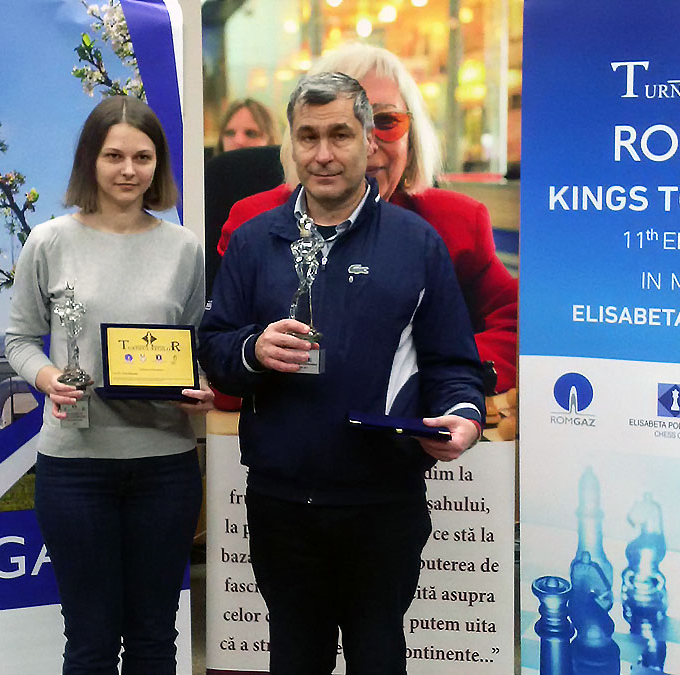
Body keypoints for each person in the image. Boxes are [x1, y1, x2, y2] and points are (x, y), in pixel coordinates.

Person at [199, 72, 485, 674]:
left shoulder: (417, 245)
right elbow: (216, 347)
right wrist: (252, 351)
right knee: (294, 657)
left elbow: (452, 363)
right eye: (308, 137)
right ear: (292, 146)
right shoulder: (254, 242)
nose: (323, 154)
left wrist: (462, 417)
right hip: (280, 501)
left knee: (378, 655)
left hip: (383, 502)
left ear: (367, 143)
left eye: (340, 135)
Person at [5, 95, 212, 674]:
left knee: (153, 638)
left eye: (143, 157)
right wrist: (48, 378)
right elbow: (18, 339)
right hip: (76, 467)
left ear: (158, 164)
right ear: (89, 161)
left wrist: (201, 381)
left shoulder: (184, 248)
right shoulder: (48, 241)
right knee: (91, 643)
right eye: (113, 155)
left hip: (165, 466)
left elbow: (198, 341)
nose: (128, 170)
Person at [217, 43, 518, 392]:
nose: (366, 144)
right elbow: (222, 344)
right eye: (341, 129)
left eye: (385, 121)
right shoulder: (254, 222)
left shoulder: (454, 224)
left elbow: (517, 325)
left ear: (414, 136)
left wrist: (424, 373)